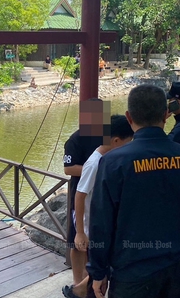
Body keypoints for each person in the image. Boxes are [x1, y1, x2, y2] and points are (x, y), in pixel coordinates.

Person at [88, 84, 180, 298]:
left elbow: (101, 223)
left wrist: (98, 272)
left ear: (129, 117)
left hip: (131, 273)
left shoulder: (113, 163)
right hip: (177, 269)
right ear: (166, 115)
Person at [66, 115, 134, 298]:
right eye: (128, 142)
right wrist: (80, 231)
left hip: (101, 223)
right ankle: (78, 291)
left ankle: (79, 290)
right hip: (92, 225)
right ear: (116, 140)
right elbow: (79, 196)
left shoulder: (107, 158)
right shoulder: (95, 163)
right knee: (101, 266)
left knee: (101, 266)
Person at [62, 99, 104, 298]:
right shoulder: (76, 139)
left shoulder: (106, 137)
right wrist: (95, 170)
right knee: (76, 242)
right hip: (80, 194)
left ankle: (91, 280)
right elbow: (68, 168)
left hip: (102, 195)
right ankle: (77, 282)